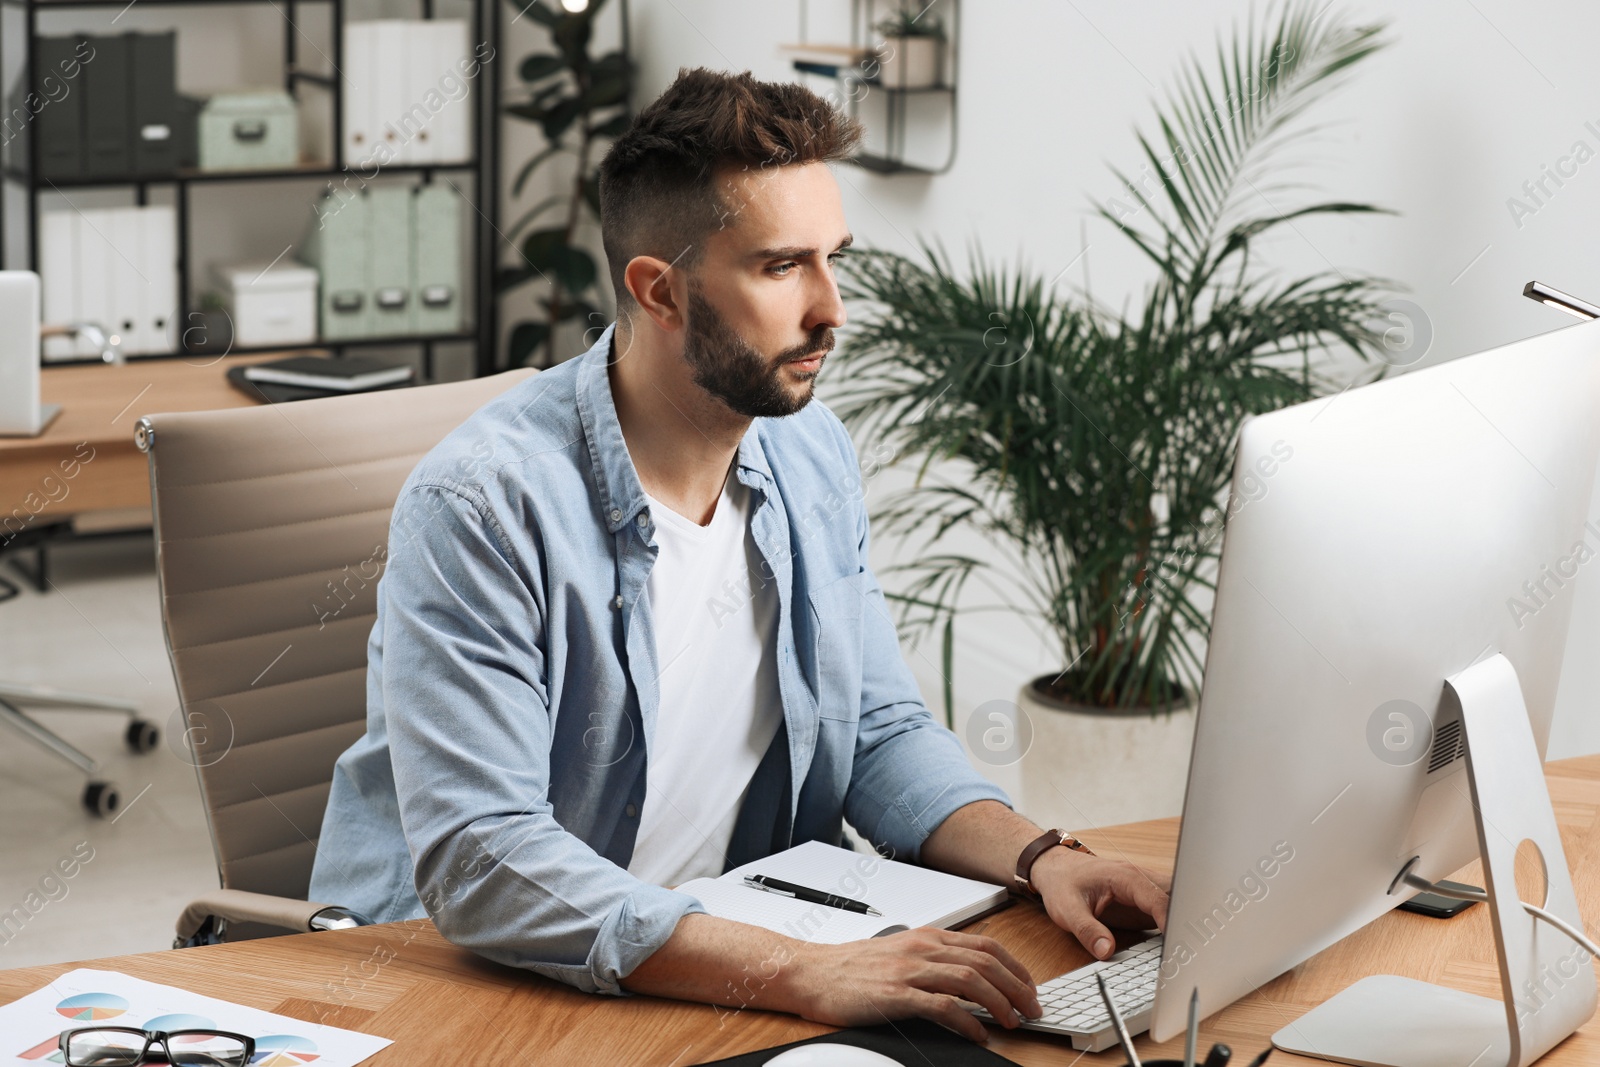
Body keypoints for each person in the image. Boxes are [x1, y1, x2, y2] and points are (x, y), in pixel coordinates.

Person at [310, 66, 1169, 1043]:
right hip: (480, 983)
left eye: (832, 257)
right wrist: (798, 970)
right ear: (659, 289)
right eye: (780, 266)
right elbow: (484, 857)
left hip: (731, 963)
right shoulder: (485, 502)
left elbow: (875, 731)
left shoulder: (809, 452)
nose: (831, 309)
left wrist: (1042, 855)